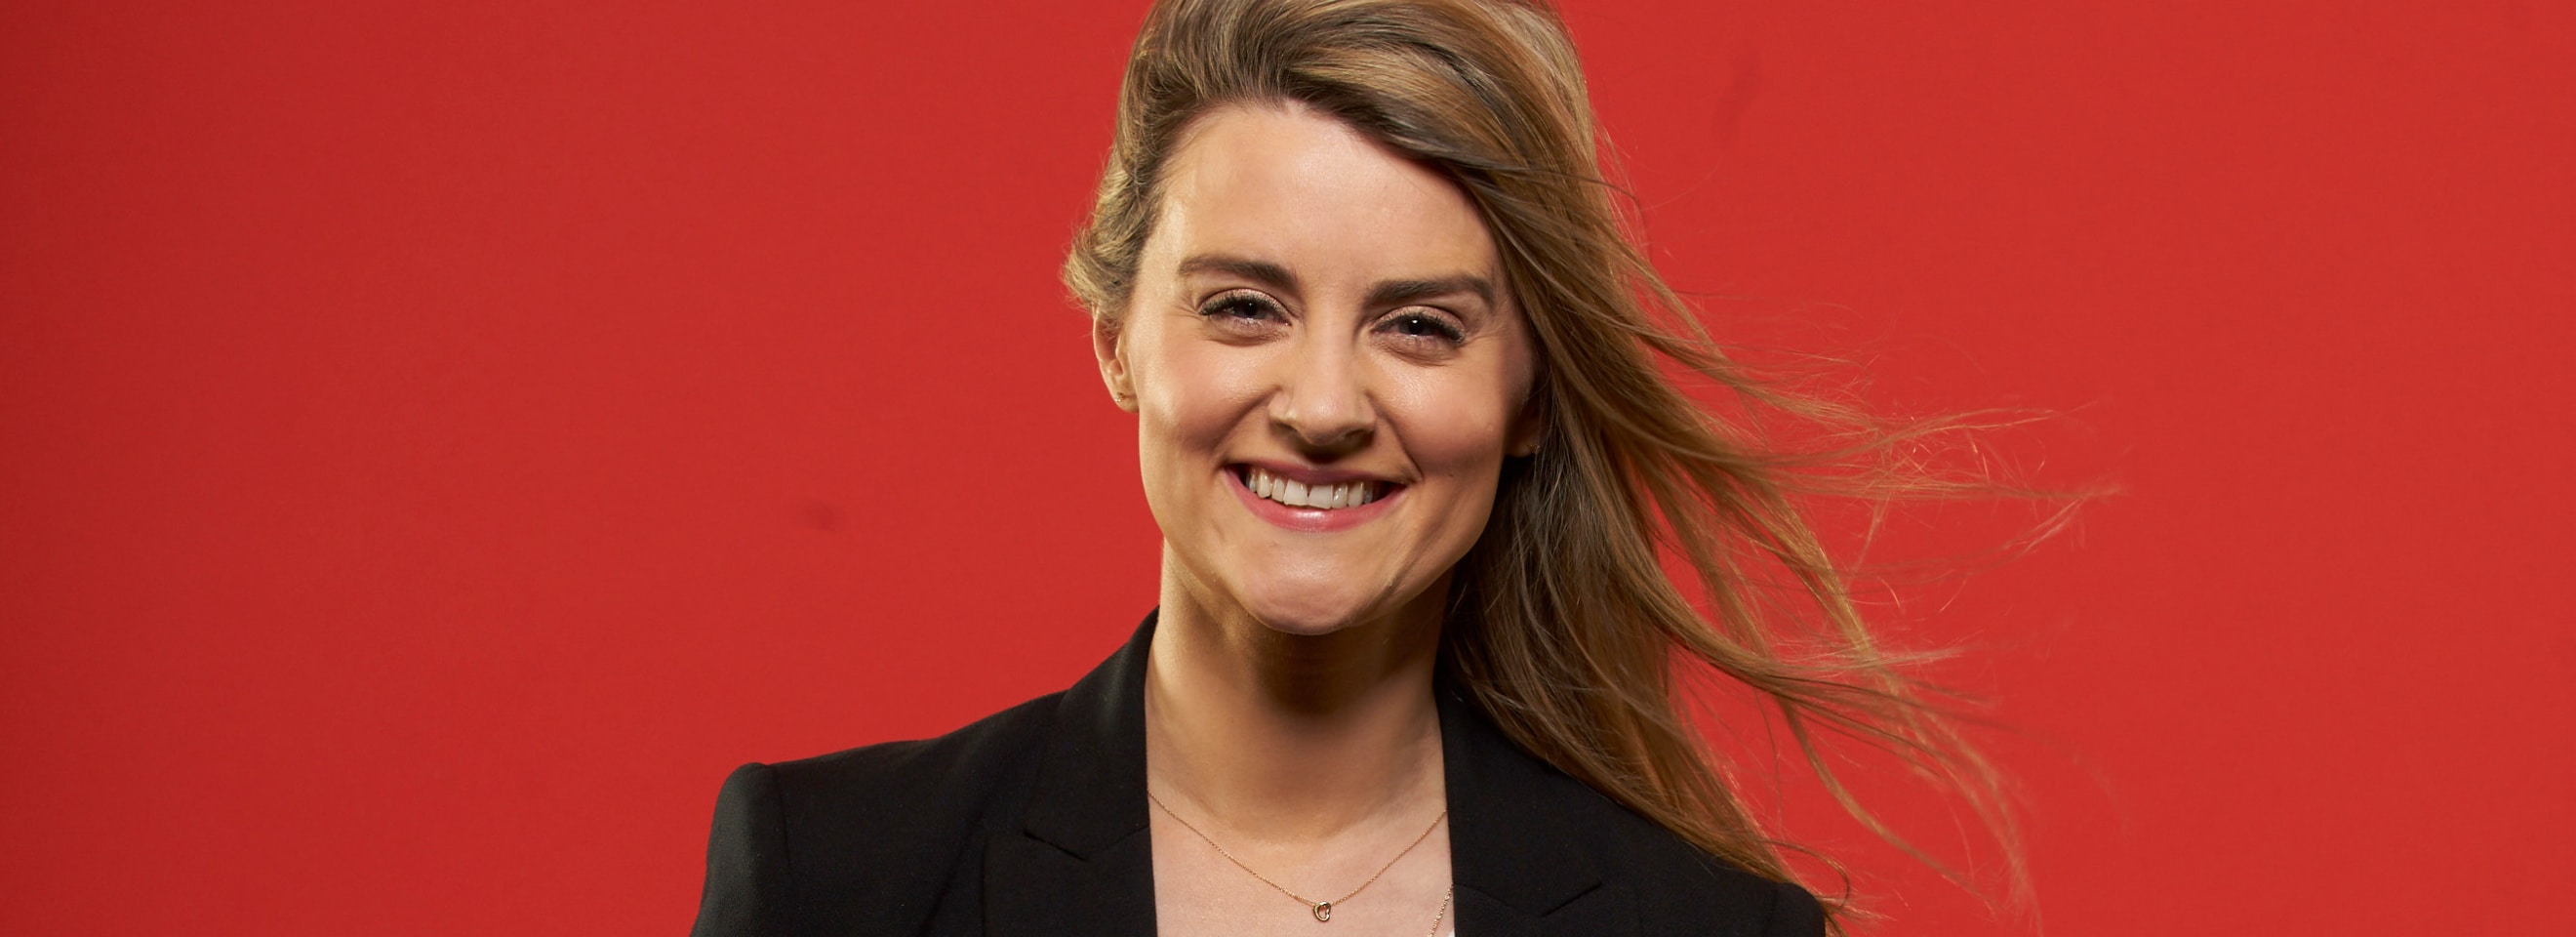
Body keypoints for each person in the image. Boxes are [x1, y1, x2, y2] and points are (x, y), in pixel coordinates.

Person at [693, 1, 2023, 934]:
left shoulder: (1711, 930)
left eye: (1420, 327)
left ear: (1530, 397)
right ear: (1118, 341)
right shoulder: (837, 881)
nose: (1324, 405)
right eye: (1243, 306)